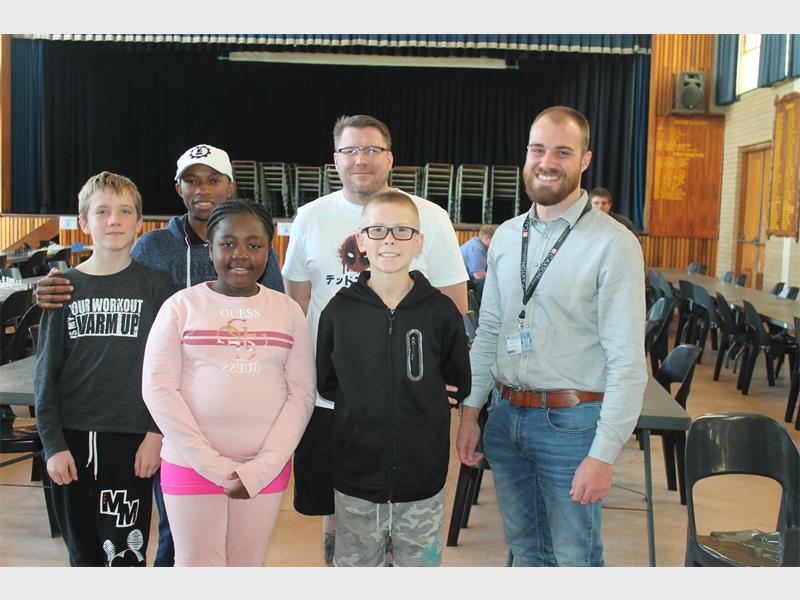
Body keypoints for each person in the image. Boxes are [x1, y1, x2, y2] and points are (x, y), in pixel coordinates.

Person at [33, 143, 285, 566]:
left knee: (211, 538)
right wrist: (46, 290)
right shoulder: (150, 248)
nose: (202, 189)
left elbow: (272, 313)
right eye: (191, 180)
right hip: (165, 418)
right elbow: (104, 279)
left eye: (213, 179)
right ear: (178, 187)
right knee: (170, 528)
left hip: (212, 416)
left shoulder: (255, 249)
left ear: (230, 186)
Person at [456, 106, 647, 566]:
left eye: (563, 152)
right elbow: (489, 333)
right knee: (526, 553)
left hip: (572, 426)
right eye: (538, 150)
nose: (547, 162)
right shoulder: (506, 236)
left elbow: (627, 362)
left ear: (585, 160)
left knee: (574, 560)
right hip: (505, 419)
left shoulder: (613, 244)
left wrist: (603, 455)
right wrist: (471, 411)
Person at [282, 114, 468, 566]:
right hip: (336, 401)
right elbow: (297, 305)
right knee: (340, 511)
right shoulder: (310, 217)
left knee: (407, 528)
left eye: (371, 149)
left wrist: (427, 379)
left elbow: (453, 310)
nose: (360, 159)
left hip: (411, 407)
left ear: (390, 158)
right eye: (350, 150)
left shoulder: (431, 216)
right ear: (335, 159)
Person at [141, 199, 315, 566]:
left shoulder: (288, 311)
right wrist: (215, 466)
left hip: (264, 471)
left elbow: (301, 394)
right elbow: (158, 389)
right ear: (210, 248)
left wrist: (263, 466)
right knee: (195, 566)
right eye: (228, 243)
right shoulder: (180, 306)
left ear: (269, 250)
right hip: (190, 464)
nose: (241, 255)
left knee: (246, 565)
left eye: (254, 245)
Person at [315, 191, 471, 566]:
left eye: (402, 230)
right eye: (378, 230)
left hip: (422, 478)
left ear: (418, 242)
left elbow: (457, 379)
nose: (389, 240)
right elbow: (327, 382)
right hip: (356, 475)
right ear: (361, 240)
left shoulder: (440, 311)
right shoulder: (339, 311)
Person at [34, 171, 175, 566]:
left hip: (132, 440)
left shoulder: (157, 287)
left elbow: (169, 368)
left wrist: (155, 433)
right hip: (72, 438)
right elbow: (46, 374)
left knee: (125, 552)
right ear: (84, 222)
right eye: (102, 212)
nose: (114, 220)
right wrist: (53, 444)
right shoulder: (62, 287)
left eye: (125, 211)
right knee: (82, 554)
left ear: (139, 222)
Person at [460, 224, 497, 299]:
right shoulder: (476, 248)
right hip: (463, 281)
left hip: (467, 279)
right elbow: (478, 275)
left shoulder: (479, 244)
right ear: (487, 239)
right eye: (494, 240)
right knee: (489, 283)